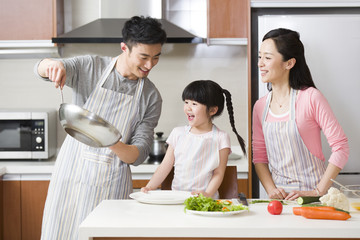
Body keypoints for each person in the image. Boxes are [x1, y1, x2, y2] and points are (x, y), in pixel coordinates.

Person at [34, 16, 167, 240]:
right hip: (70, 175)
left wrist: (110, 140)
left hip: (111, 184)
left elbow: (138, 154)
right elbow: (40, 68)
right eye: (143, 57)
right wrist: (51, 66)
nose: (149, 65)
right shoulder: (91, 67)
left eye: (156, 58)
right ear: (125, 47)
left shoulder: (151, 96)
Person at [252, 28, 349, 201]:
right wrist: (272, 190)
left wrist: (317, 191)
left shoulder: (311, 98)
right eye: (260, 57)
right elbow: (259, 156)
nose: (260, 64)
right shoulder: (260, 106)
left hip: (315, 201)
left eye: (267, 58)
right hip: (279, 202)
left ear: (289, 63)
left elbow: (341, 147)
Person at [141, 80, 246, 199]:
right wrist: (149, 187)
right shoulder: (178, 133)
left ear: (212, 110)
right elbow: (165, 166)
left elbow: (218, 173)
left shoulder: (221, 137)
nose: (188, 108)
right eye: (186, 102)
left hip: (206, 201)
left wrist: (207, 194)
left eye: (194, 104)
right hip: (177, 199)